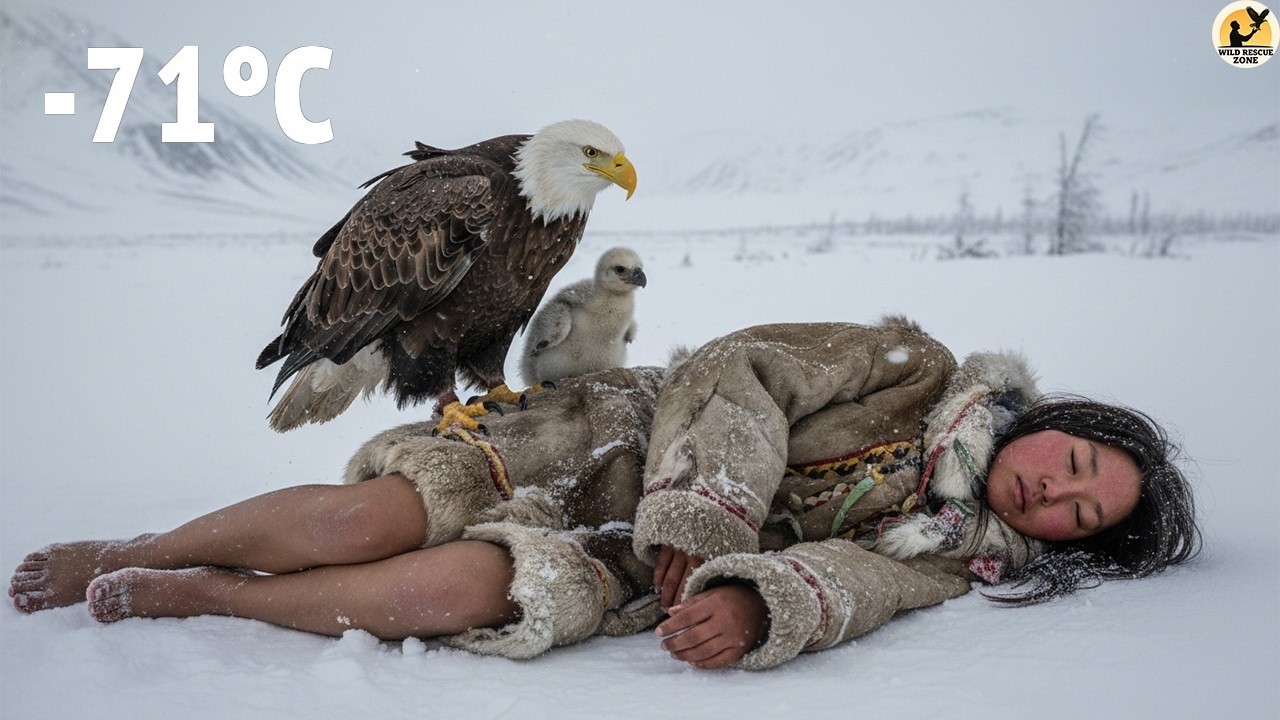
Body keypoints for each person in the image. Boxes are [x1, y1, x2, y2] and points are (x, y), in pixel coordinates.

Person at [8, 318, 1200, 670]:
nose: (1054, 491)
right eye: (1078, 464)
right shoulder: (909, 368)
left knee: (441, 591)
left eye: (1077, 514)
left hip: (632, 555)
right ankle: (142, 540)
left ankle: (203, 594)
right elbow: (736, 370)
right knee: (359, 519)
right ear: (1057, 425)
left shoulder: (949, 550)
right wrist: (711, 511)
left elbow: (854, 580)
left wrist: (753, 600)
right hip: (613, 434)